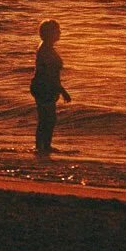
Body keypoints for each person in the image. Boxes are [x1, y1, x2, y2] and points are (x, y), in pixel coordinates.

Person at [29, 18, 71, 156]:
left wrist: (59, 89)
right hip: (43, 87)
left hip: (44, 86)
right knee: (48, 119)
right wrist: (62, 90)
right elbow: (50, 74)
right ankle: (42, 147)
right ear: (49, 33)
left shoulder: (45, 48)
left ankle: (43, 146)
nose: (60, 33)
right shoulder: (46, 50)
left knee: (47, 119)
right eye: (57, 30)